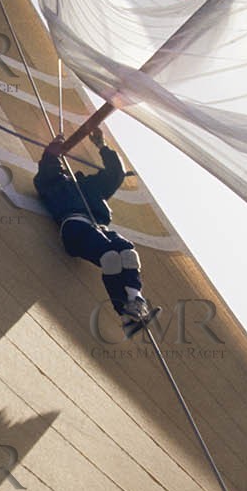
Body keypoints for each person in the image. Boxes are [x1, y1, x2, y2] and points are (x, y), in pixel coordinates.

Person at [34, 125, 159, 337]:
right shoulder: (53, 184)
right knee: (109, 256)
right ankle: (124, 312)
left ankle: (134, 301)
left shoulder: (92, 187)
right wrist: (53, 149)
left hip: (98, 226)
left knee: (127, 252)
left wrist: (102, 146)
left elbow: (115, 174)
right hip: (73, 225)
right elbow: (48, 167)